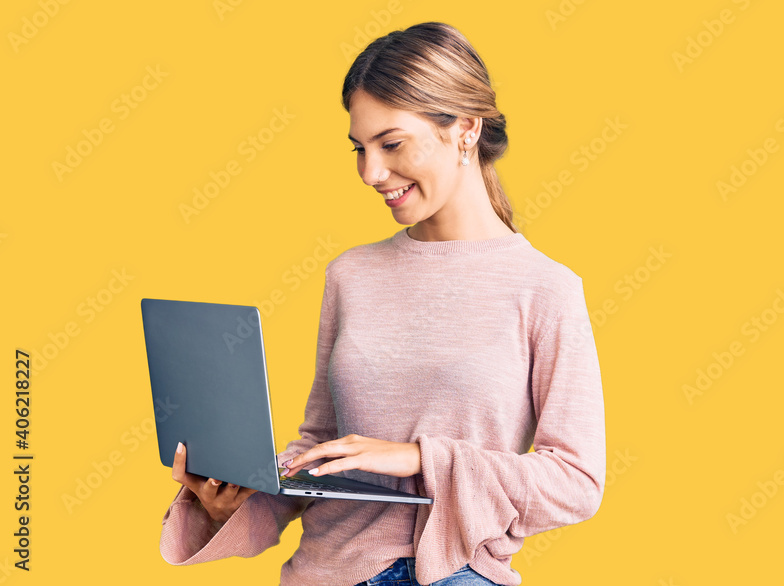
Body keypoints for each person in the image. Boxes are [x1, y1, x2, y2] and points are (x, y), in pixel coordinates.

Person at [159, 21, 606, 586]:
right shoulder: (351, 275)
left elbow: (576, 483)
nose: (371, 173)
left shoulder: (545, 288)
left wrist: (422, 457)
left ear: (465, 128)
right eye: (359, 148)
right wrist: (232, 499)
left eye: (391, 144)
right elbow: (319, 451)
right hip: (323, 572)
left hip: (455, 572)